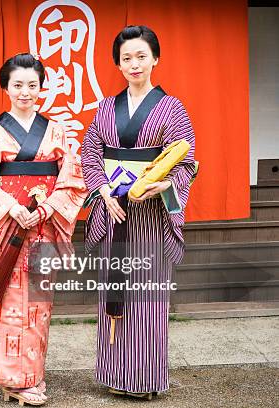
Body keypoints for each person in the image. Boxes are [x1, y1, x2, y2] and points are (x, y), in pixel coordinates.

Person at [0, 53, 86, 406]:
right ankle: (11, 379)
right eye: (17, 85)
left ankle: (33, 375)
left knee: (38, 305)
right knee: (8, 301)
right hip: (9, 228)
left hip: (44, 226)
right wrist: (12, 207)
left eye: (32, 85)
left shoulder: (56, 130)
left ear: (41, 88)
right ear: (5, 87)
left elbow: (73, 181)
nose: (25, 91)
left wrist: (46, 207)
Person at [81, 26, 197, 399]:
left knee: (147, 297)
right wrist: (102, 190)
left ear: (155, 59)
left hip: (149, 215)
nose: (134, 64)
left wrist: (166, 186)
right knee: (115, 295)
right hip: (115, 212)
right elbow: (90, 152)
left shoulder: (171, 107)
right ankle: (114, 375)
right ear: (117, 63)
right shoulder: (104, 108)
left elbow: (186, 159)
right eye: (126, 57)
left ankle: (146, 380)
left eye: (141, 56)